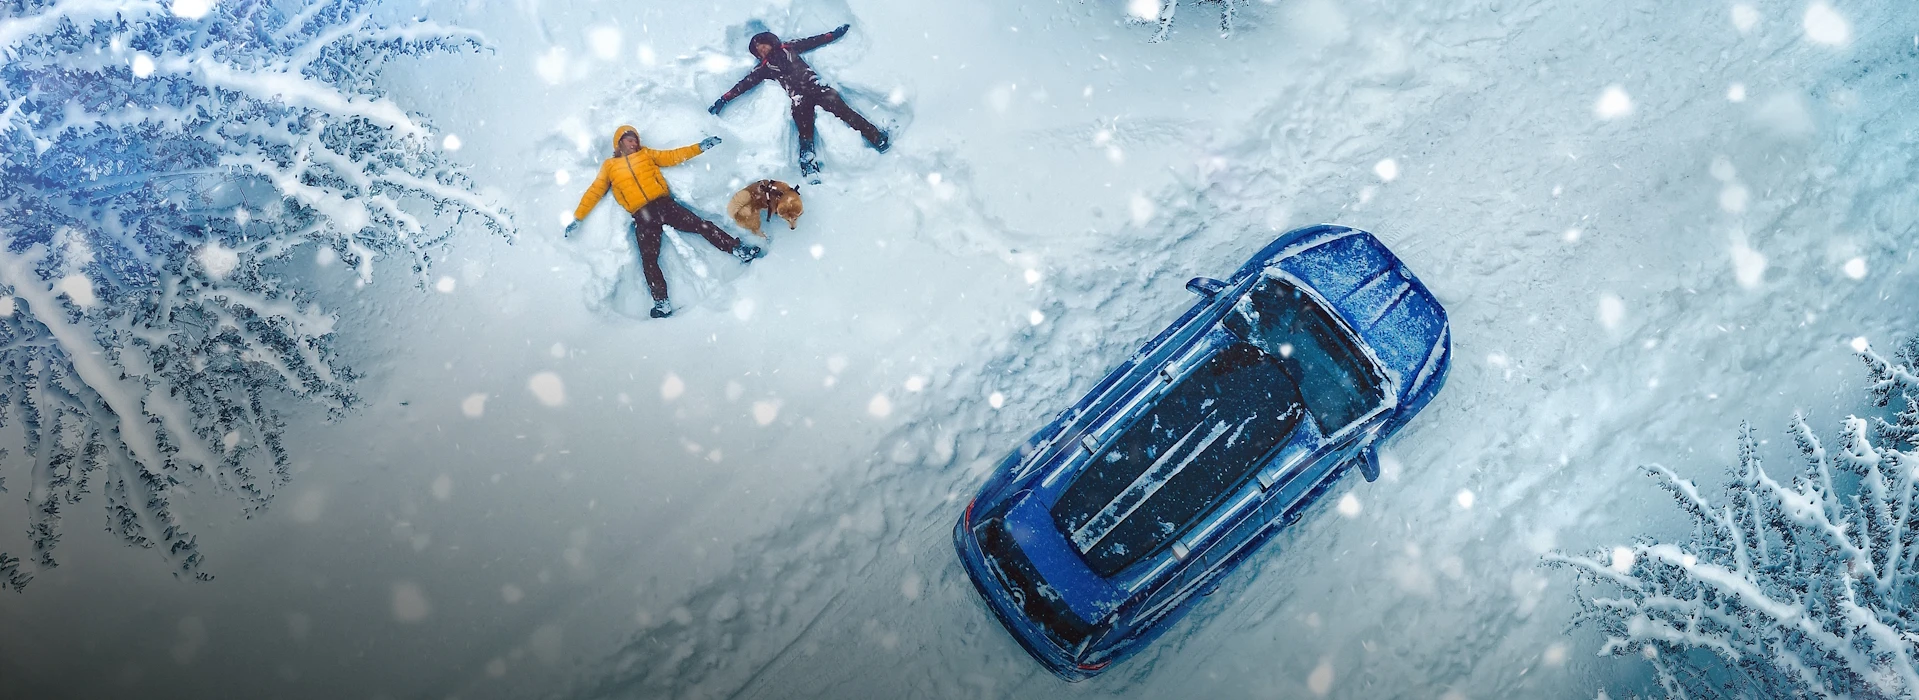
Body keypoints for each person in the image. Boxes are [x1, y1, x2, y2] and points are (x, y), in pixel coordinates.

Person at [567, 125, 763, 319]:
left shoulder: (646, 154)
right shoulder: (610, 166)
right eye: (630, 140)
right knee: (648, 259)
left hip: (664, 206)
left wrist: (700, 147)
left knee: (702, 225)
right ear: (619, 142)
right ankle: (662, 302)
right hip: (642, 216)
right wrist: (578, 217)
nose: (634, 143)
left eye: (636, 140)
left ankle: (739, 250)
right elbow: (595, 191)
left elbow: (673, 156)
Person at [708, 25, 889, 182]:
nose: (761, 50)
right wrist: (724, 99)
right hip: (799, 98)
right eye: (758, 50)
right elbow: (743, 84)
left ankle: (876, 137)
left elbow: (814, 41)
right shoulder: (763, 68)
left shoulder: (789, 47)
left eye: (762, 45)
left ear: (769, 41)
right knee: (804, 131)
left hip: (818, 87)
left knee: (846, 113)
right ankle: (808, 166)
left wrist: (834, 34)